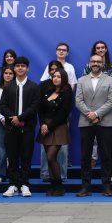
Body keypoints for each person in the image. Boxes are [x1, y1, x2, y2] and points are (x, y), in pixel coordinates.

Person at [75, 53, 112, 196]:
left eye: (98, 62)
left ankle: (106, 186)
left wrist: (97, 114)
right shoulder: (81, 80)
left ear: (102, 64)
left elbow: (111, 101)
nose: (96, 64)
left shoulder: (110, 80)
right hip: (86, 122)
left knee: (106, 155)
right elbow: (78, 101)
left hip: (104, 122)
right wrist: (90, 115)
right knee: (85, 156)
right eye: (93, 61)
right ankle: (85, 187)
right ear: (89, 63)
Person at [0, 57, 40, 197]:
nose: (20, 68)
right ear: (14, 68)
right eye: (18, 66)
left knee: (26, 157)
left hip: (27, 127)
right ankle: (13, 184)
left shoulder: (34, 86)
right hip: (11, 128)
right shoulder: (8, 86)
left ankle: (25, 184)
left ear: (27, 68)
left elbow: (35, 106)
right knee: (12, 157)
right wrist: (13, 118)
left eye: (23, 66)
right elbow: (2, 106)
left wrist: (21, 118)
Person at [37, 68, 73, 196]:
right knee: (49, 159)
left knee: (51, 156)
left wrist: (49, 126)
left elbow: (63, 114)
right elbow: (40, 109)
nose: (56, 78)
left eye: (59, 76)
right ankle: (53, 186)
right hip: (45, 127)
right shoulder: (48, 90)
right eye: (54, 76)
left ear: (64, 78)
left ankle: (60, 186)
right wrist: (42, 124)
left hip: (58, 127)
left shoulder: (67, 92)